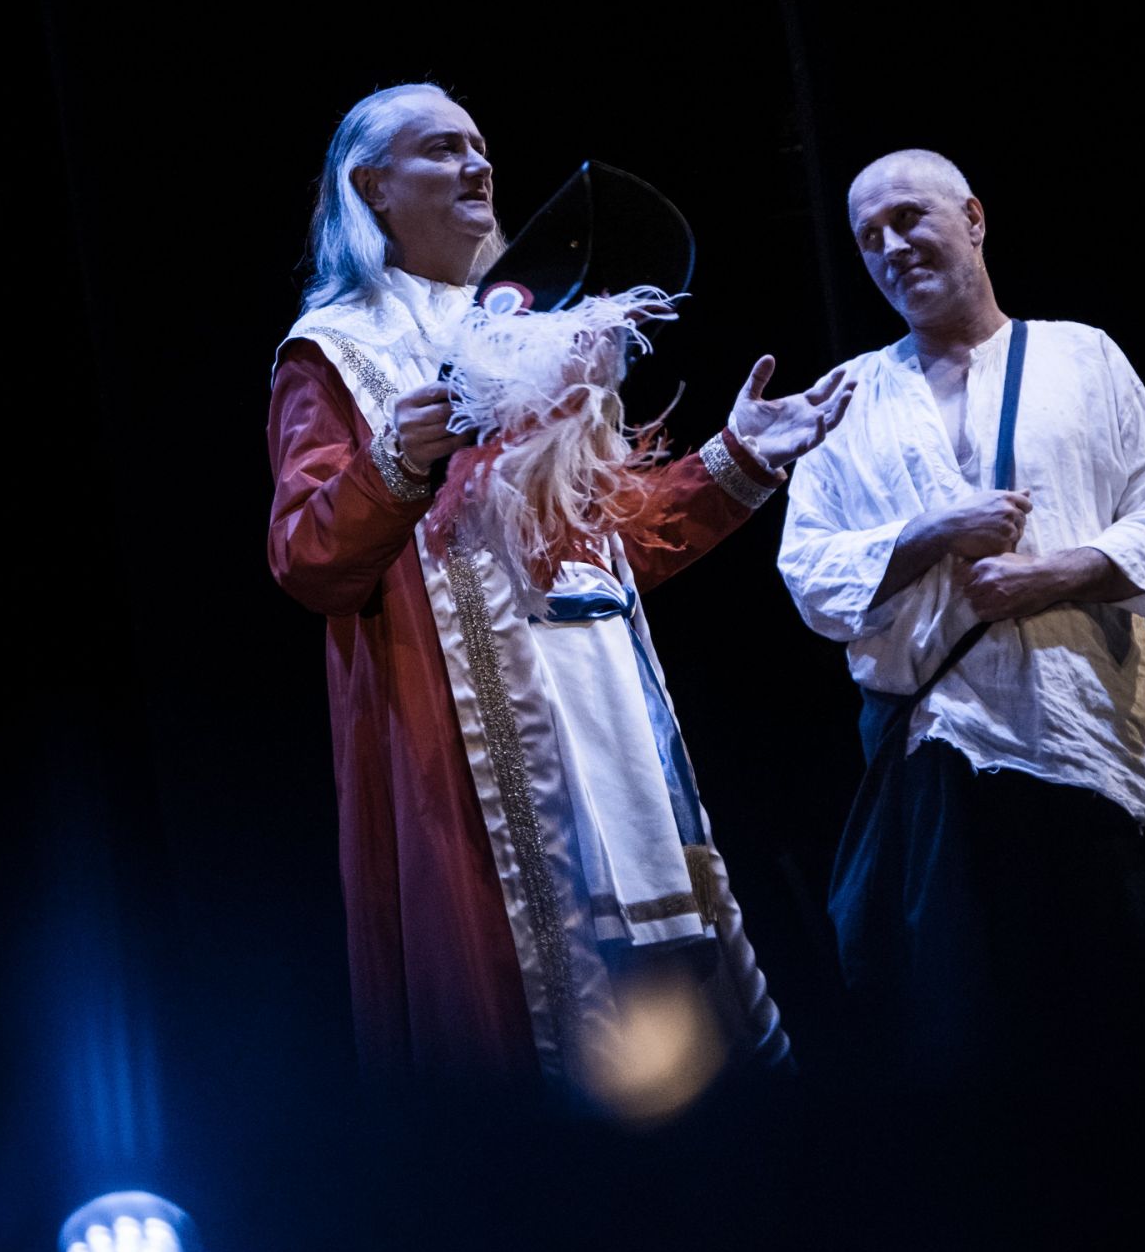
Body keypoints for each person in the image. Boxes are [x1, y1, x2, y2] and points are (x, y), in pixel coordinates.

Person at [268, 81, 852, 1090]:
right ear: (371, 187)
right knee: (530, 1025)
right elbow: (307, 557)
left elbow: (602, 550)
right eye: (442, 149)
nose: (477, 165)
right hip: (469, 736)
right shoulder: (336, 353)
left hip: (606, 707)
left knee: (673, 1012)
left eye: (479, 146)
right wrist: (396, 463)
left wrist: (738, 459)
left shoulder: (541, 335)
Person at [777, 147, 1145, 1167]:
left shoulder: (1080, 356)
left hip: (1084, 753)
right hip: (937, 762)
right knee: (965, 1054)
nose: (890, 247)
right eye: (867, 236)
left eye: (907, 218)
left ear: (972, 217)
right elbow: (810, 570)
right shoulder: (847, 395)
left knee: (1132, 1045)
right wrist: (931, 532)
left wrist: (1052, 572)